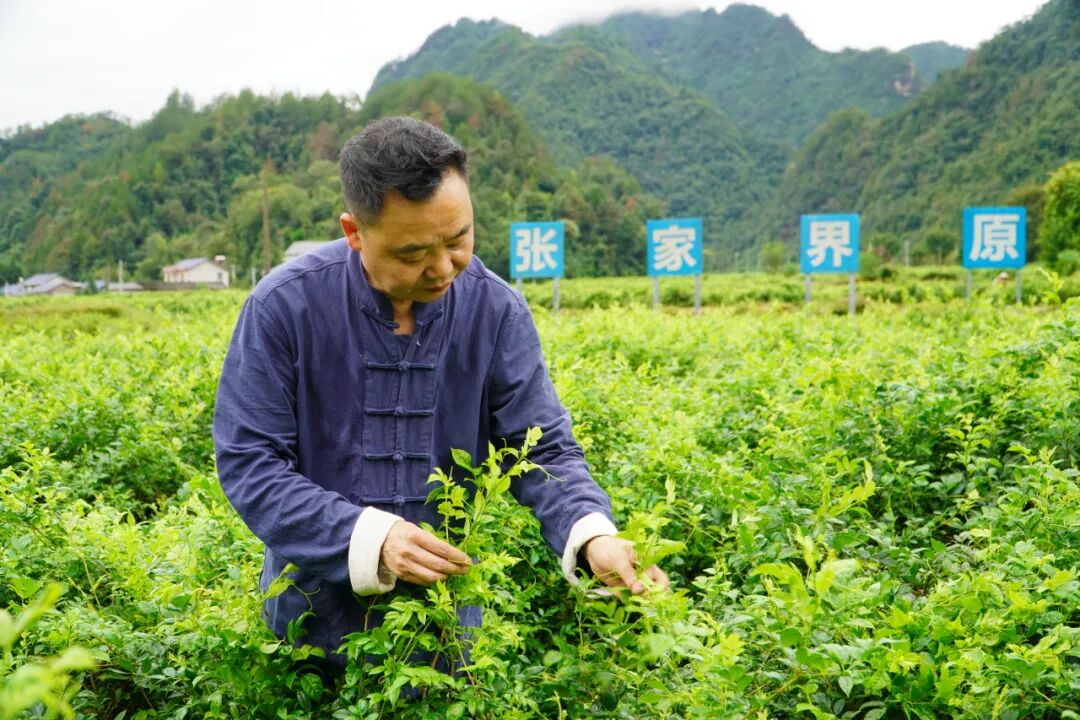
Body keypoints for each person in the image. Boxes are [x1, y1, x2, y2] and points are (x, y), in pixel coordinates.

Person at [212, 116, 668, 672]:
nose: (442, 267)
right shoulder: (284, 307)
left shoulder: (494, 310)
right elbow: (250, 463)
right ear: (354, 231)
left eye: (459, 240)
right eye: (411, 253)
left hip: (448, 634)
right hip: (308, 629)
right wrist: (371, 537)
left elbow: (542, 450)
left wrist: (592, 536)